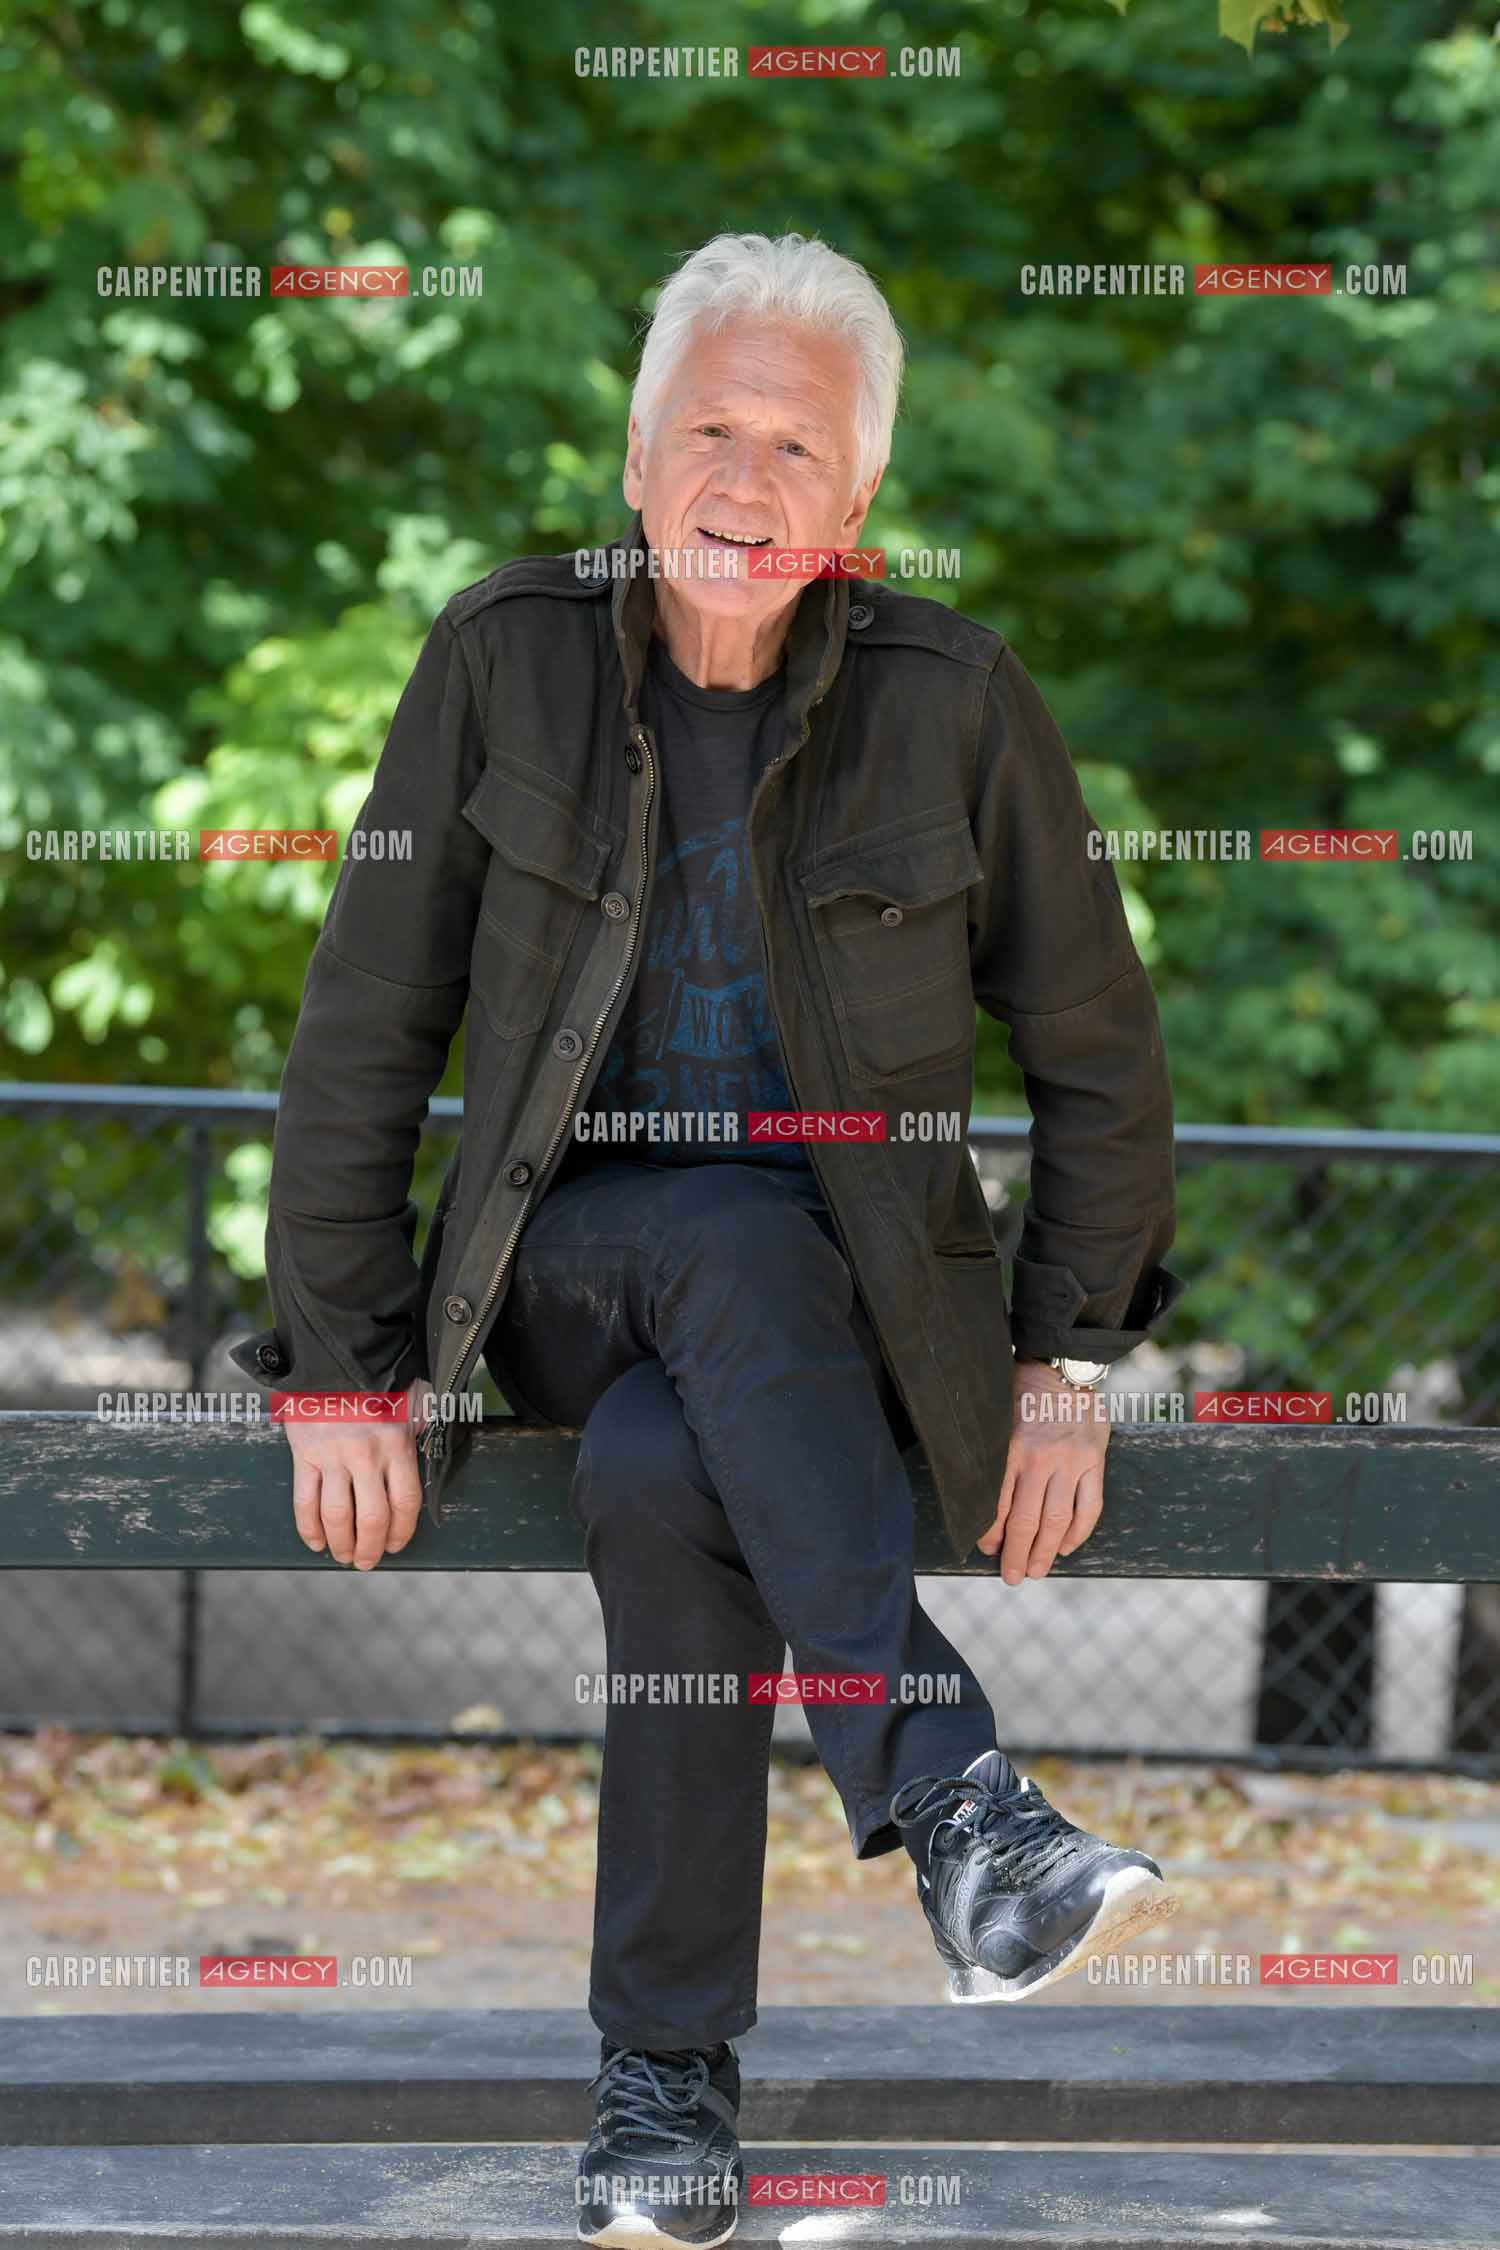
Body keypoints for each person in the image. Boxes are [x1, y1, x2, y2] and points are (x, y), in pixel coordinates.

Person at [231, 231, 1188, 2249]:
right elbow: (364, 1024)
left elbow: (1100, 1047)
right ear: (638, 449)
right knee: (705, 1264)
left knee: (675, 1473)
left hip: (840, 1323)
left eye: (798, 447)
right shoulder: (502, 659)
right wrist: (337, 1357)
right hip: (567, 1268)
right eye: (711, 429)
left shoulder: (955, 700)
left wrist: (1064, 1357)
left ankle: (663, 2096)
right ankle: (959, 1804)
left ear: (859, 504)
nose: (745, 483)